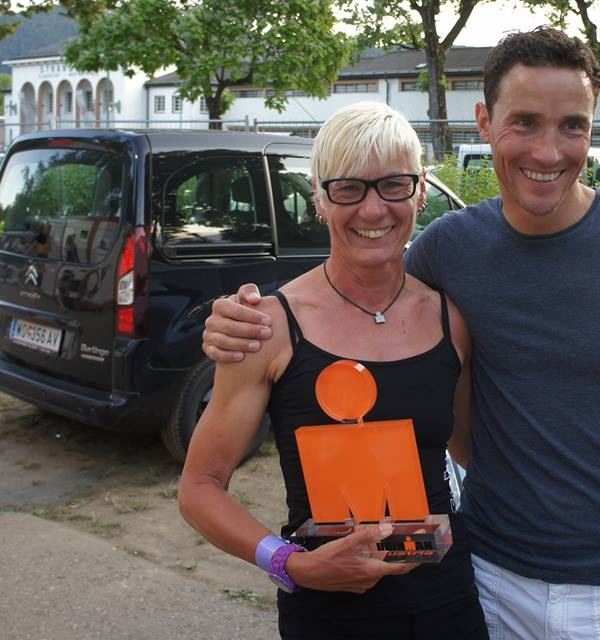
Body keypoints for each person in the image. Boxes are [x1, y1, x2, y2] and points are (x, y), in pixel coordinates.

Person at [203, 27, 600, 640]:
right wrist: (236, 319)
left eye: (572, 126)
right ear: (484, 122)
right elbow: (360, 279)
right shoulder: (448, 251)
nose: (548, 151)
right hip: (485, 579)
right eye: (525, 122)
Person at [178, 102, 487, 640]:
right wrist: (289, 564)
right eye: (348, 189)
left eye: (394, 185)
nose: (373, 210)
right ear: (318, 199)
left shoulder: (450, 319)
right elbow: (200, 488)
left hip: (447, 604)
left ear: (420, 191)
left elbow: (472, 452)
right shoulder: (269, 326)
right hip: (328, 613)